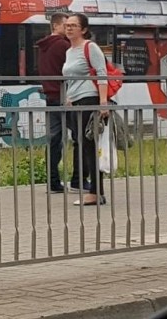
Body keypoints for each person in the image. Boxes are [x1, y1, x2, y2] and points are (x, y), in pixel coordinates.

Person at [62, 13, 110, 206]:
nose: (69, 28)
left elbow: (102, 73)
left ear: (83, 29)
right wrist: (69, 96)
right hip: (75, 102)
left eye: (73, 25)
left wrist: (103, 102)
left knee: (89, 146)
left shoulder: (90, 47)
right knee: (82, 144)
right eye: (67, 25)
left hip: (89, 99)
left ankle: (95, 192)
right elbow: (71, 77)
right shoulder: (69, 51)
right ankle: (95, 191)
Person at [35, 12, 71, 193]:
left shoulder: (43, 47)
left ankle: (53, 181)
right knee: (82, 136)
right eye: (66, 25)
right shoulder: (63, 46)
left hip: (50, 97)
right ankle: (80, 178)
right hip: (65, 97)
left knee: (54, 139)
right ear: (56, 26)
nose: (69, 29)